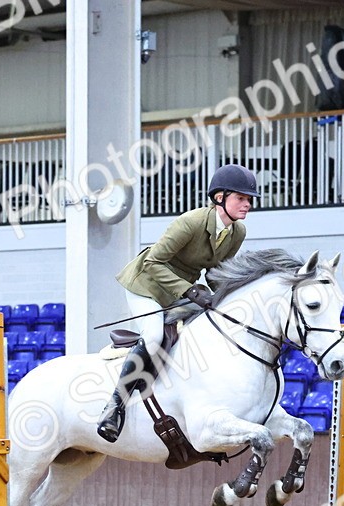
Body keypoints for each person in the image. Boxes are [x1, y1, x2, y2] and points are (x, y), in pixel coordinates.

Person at [95, 163, 261, 443]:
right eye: (241, 198)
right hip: (146, 283)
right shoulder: (191, 222)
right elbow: (153, 261)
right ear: (219, 197)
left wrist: (226, 301)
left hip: (182, 291)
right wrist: (190, 290)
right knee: (154, 335)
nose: (247, 205)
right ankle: (114, 406)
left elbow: (219, 272)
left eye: (249, 200)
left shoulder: (237, 232)